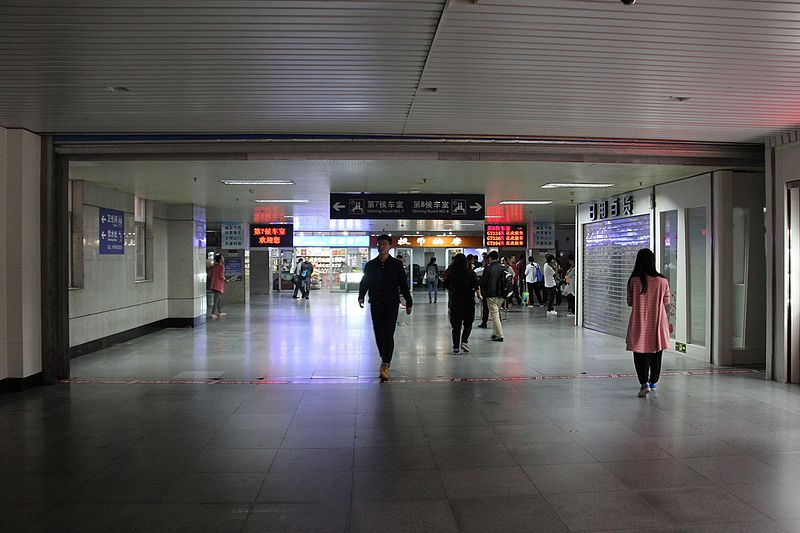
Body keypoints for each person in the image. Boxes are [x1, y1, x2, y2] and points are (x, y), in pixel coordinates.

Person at [359, 234, 413, 381]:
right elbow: (365, 281)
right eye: (379, 244)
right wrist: (361, 295)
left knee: (388, 333)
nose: (381, 246)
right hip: (376, 303)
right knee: (378, 334)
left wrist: (408, 301)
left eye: (384, 244)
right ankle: (384, 355)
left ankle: (385, 363)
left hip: (391, 304)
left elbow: (403, 284)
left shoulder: (396, 264)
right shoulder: (371, 265)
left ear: (389, 246)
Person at [626, 248, 670, 397]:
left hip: (639, 322)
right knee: (656, 354)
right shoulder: (662, 281)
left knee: (640, 355)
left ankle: (644, 383)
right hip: (658, 323)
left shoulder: (634, 281)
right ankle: (653, 382)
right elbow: (666, 301)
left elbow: (630, 302)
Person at [443, 253, 481, 354]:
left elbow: (445, 284)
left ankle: (455, 347)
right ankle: (464, 341)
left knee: (456, 327)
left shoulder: (452, 273)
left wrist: (453, 289)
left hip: (455, 302)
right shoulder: (470, 272)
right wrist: (478, 295)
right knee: (468, 323)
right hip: (468, 302)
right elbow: (476, 285)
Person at [479, 251, 505, 341]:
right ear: (497, 258)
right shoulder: (503, 268)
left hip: (491, 294)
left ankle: (499, 335)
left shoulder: (488, 269)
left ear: (490, 258)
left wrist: (481, 293)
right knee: (496, 313)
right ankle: (495, 332)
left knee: (494, 314)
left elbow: (483, 282)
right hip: (501, 295)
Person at [208, 254, 228, 318]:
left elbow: (210, 275)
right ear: (220, 259)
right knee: (216, 300)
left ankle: (220, 312)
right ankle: (213, 313)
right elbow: (221, 276)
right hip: (218, 285)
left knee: (219, 299)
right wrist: (226, 280)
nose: (223, 259)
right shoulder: (221, 266)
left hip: (213, 284)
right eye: (222, 257)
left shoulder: (214, 266)